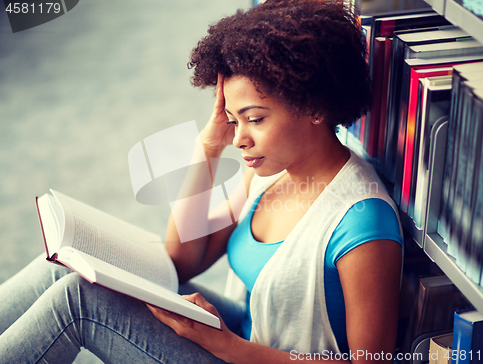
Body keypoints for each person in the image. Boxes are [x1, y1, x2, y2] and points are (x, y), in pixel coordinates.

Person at [0, 0, 403, 363]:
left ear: (315, 105)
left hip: (247, 353)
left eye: (256, 119)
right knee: (68, 267)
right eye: (233, 119)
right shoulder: (269, 171)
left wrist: (227, 345)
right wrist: (208, 147)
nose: (240, 138)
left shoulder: (362, 226)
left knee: (80, 300)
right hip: (243, 336)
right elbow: (183, 259)